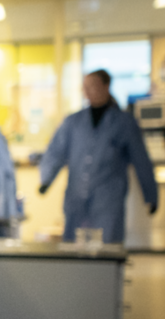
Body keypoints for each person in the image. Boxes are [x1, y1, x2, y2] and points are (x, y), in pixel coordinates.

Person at [38, 69, 158, 243]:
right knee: (74, 248)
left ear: (106, 86)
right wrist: (46, 180)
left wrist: (151, 195)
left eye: (93, 85)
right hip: (76, 197)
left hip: (108, 198)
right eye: (85, 86)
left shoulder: (124, 122)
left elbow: (141, 160)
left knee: (106, 249)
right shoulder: (73, 122)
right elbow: (55, 151)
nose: (88, 90)